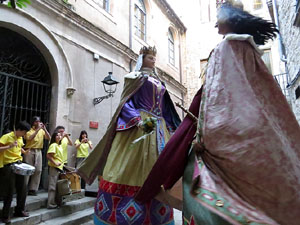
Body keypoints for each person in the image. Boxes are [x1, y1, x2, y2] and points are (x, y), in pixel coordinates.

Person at [136, 2, 300, 225]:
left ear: (230, 18)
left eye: (219, 16)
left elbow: (217, 97)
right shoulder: (250, 51)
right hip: (254, 137)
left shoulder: (224, 50)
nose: (214, 23)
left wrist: (205, 135)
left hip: (224, 141)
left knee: (209, 195)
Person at [78, 46, 181, 225]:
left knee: (159, 167)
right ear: (142, 59)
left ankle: (159, 211)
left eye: (154, 58)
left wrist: (173, 127)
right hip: (139, 127)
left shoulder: (159, 81)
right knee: (129, 164)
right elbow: (125, 103)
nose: (153, 60)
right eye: (150, 57)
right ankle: (120, 213)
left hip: (158, 129)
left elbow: (165, 109)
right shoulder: (134, 78)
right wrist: (137, 121)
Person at [0, 121, 31, 224]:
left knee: (23, 189)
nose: (24, 135)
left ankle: (19, 210)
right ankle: (5, 215)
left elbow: (19, 146)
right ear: (19, 130)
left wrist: (24, 152)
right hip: (8, 165)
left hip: (19, 164)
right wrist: (9, 146)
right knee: (9, 191)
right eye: (24, 132)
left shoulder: (20, 138)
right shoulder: (7, 137)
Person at [24, 116, 50, 196]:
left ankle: (33, 189)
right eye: (37, 121)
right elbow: (29, 138)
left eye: (39, 121)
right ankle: (24, 187)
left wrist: (44, 129)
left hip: (38, 151)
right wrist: (38, 129)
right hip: (29, 150)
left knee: (38, 170)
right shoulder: (29, 131)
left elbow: (49, 138)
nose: (38, 123)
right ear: (33, 122)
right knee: (28, 169)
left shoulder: (42, 131)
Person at [46, 132, 64, 209]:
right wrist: (55, 163)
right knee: (52, 186)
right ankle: (50, 203)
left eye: (60, 135)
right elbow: (49, 155)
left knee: (57, 186)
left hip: (59, 168)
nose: (59, 136)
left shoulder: (59, 145)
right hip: (54, 167)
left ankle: (55, 202)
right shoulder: (53, 145)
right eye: (57, 135)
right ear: (54, 137)